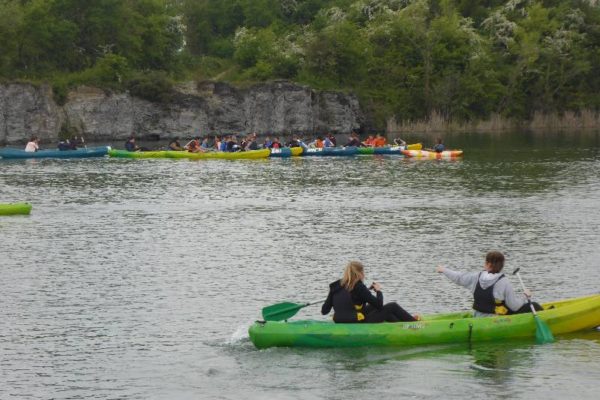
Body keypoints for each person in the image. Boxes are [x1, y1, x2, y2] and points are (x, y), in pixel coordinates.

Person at [436, 251, 543, 317]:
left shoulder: (476, 276)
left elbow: (459, 277)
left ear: (487, 264)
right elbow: (514, 307)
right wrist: (525, 296)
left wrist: (444, 270)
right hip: (495, 319)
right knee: (534, 305)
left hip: (477, 315)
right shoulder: (504, 282)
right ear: (501, 266)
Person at [322, 261, 419, 323]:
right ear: (359, 273)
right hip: (358, 321)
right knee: (392, 306)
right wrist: (378, 291)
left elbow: (324, 311)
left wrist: (330, 298)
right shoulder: (359, 286)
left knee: (376, 308)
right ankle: (414, 324)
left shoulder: (335, 286)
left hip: (341, 320)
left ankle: (400, 325)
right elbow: (379, 305)